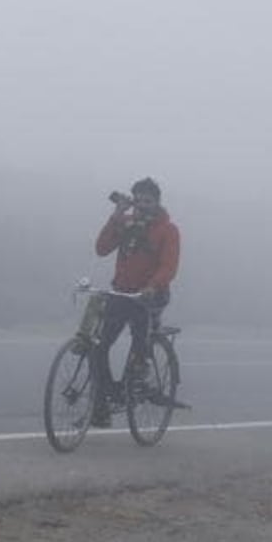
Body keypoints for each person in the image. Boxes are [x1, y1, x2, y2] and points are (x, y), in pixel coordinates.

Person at [90, 177, 180, 427]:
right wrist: (116, 215)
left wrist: (151, 287)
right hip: (122, 292)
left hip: (151, 295)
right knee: (98, 346)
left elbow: (169, 267)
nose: (142, 205)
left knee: (140, 343)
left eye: (147, 201)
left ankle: (139, 377)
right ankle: (103, 404)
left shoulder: (168, 230)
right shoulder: (127, 223)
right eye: (138, 200)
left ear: (157, 202)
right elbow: (101, 248)